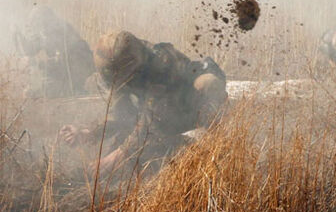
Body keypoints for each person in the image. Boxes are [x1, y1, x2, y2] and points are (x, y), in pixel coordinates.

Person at [59, 31, 227, 173]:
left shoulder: (161, 64)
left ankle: (212, 140)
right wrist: (90, 132)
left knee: (208, 83)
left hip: (186, 105)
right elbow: (120, 115)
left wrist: (117, 156)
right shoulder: (120, 68)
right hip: (161, 113)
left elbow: (152, 122)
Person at [13, 5, 96, 98]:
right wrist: (17, 35)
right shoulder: (46, 32)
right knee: (37, 90)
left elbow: (62, 62)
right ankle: (70, 89)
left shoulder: (61, 32)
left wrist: (39, 64)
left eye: (36, 23)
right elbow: (29, 50)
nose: (35, 26)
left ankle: (73, 89)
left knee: (39, 93)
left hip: (76, 69)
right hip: (65, 70)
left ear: (44, 21)